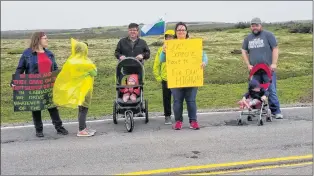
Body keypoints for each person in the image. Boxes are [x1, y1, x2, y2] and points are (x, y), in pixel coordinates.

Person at [11, 32, 68, 137]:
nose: (47, 40)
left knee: (52, 107)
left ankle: (59, 127)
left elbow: (54, 68)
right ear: (38, 40)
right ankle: (39, 129)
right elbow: (20, 69)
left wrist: (59, 80)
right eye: (45, 38)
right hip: (35, 85)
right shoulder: (27, 54)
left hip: (48, 85)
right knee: (36, 108)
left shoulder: (50, 54)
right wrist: (14, 82)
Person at [160, 22, 208, 130]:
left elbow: (204, 56)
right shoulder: (170, 44)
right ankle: (178, 121)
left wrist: (204, 62)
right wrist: (164, 51)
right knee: (177, 101)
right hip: (176, 78)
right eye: (179, 30)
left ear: (186, 32)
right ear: (176, 32)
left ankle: (193, 121)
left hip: (191, 77)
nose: (181, 31)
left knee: (191, 101)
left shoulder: (193, 44)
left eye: (183, 29)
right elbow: (162, 60)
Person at [53, 38, 97, 137]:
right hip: (85, 88)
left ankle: (83, 127)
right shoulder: (86, 62)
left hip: (76, 89)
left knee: (81, 108)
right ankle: (81, 129)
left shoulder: (71, 61)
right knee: (84, 109)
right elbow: (95, 73)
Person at [241, 17, 283, 119]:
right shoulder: (248, 38)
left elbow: (275, 48)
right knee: (254, 90)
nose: (254, 27)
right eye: (252, 25)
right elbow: (243, 50)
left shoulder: (268, 35)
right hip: (254, 71)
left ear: (261, 26)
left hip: (268, 70)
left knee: (271, 90)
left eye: (256, 25)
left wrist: (274, 63)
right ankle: (255, 110)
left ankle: (276, 111)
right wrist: (248, 64)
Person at [153, 29, 175, 125]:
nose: (169, 38)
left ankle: (178, 115)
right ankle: (167, 116)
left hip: (177, 78)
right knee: (166, 98)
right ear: (165, 38)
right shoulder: (161, 50)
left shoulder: (179, 48)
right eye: (167, 37)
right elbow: (156, 64)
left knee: (178, 98)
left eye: (171, 37)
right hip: (165, 78)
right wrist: (158, 77)